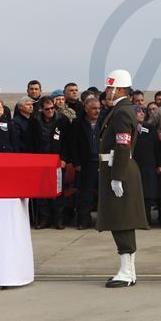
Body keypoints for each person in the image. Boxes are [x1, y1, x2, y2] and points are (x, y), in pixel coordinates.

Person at [95, 70, 149, 288]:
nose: (107, 91)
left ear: (118, 89)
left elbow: (122, 144)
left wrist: (117, 176)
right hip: (118, 167)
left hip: (119, 169)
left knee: (121, 220)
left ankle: (126, 272)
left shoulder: (122, 112)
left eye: (110, 87)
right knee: (121, 219)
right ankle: (129, 270)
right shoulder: (121, 110)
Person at [32, 96, 71, 229]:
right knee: (42, 191)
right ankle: (44, 219)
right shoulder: (35, 121)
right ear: (41, 109)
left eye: (52, 108)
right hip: (40, 160)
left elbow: (67, 142)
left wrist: (64, 159)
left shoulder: (62, 120)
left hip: (57, 161)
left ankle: (58, 219)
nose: (50, 111)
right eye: (47, 109)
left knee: (58, 191)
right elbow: (31, 142)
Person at [69, 97, 101, 229]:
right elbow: (73, 145)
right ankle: (84, 221)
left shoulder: (104, 122)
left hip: (102, 163)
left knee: (104, 193)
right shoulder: (78, 123)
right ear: (87, 109)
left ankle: (103, 221)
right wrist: (77, 163)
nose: (97, 111)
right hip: (85, 163)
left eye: (99, 108)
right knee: (85, 194)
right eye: (94, 108)